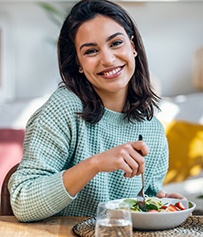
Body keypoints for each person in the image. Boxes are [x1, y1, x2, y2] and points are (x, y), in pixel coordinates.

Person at [8, 0, 184, 222]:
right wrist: (95, 164)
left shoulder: (153, 131)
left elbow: (140, 202)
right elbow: (23, 202)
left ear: (133, 47)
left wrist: (159, 204)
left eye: (116, 43)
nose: (108, 59)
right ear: (79, 63)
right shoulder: (63, 109)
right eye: (91, 51)